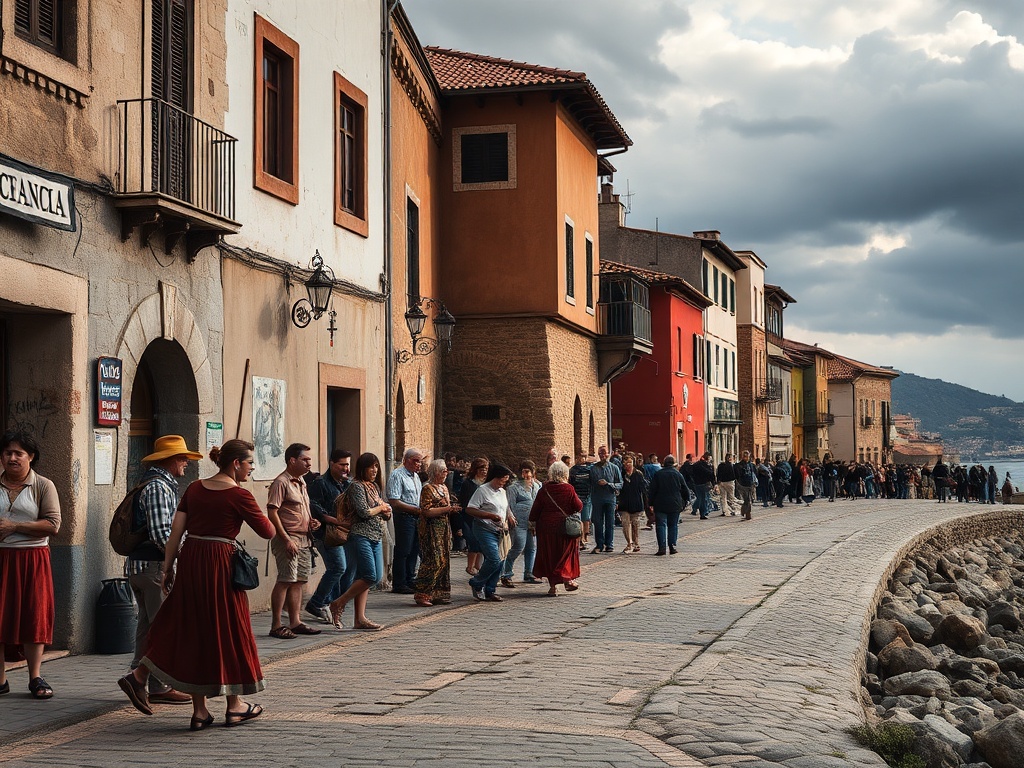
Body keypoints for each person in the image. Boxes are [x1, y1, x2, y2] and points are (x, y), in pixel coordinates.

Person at [117, 439, 275, 729]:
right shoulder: (239, 495)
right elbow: (268, 531)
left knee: (193, 630)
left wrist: (167, 569)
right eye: (250, 463)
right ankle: (235, 705)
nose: (252, 468)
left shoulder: (195, 488)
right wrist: (249, 497)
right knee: (229, 628)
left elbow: (176, 531)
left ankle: (199, 711)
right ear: (236, 463)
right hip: (220, 562)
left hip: (191, 559)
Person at [125, 435, 203, 705]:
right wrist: (185, 555)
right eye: (183, 458)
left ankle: (143, 682)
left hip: (144, 567)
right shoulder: (159, 487)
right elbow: (162, 535)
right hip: (154, 568)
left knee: (149, 626)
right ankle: (146, 682)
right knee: (165, 628)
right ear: (169, 460)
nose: (186, 463)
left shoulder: (154, 483)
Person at [0, 430, 61, 700]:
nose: (12, 458)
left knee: (34, 614)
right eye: (7, 453)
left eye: (18, 453)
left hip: (32, 559)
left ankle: (35, 676)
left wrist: (14, 526)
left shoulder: (43, 485)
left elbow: (53, 524)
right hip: (2, 558)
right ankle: (0, 679)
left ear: (31, 457)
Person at [329, 453, 392, 630]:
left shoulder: (373, 487)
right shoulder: (356, 486)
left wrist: (386, 512)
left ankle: (360, 619)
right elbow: (364, 512)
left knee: (372, 577)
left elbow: (381, 511)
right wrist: (381, 508)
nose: (374, 470)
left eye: (376, 466)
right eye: (370, 466)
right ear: (362, 468)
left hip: (376, 536)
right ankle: (338, 602)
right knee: (370, 576)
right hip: (360, 535)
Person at [267, 443, 321, 639]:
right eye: (305, 459)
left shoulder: (301, 482)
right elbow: (272, 512)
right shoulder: (281, 482)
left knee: (299, 581)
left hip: (305, 538)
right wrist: (286, 539)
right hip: (288, 538)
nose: (309, 463)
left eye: (309, 460)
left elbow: (300, 510)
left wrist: (312, 522)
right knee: (285, 580)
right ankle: (276, 625)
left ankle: (295, 621)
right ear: (292, 460)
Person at [305, 449, 353, 625]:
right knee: (338, 567)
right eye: (342, 464)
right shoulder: (320, 483)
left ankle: (331, 603)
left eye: (347, 464)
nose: (345, 468)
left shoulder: (347, 483)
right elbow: (317, 509)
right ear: (331, 463)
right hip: (326, 534)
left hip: (344, 534)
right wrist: (338, 522)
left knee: (346, 570)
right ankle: (317, 603)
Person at [529, 461, 583, 596]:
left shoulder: (544, 489)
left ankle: (553, 587)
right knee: (565, 554)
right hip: (564, 527)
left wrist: (533, 523)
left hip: (546, 527)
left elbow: (535, 511)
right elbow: (578, 506)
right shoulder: (569, 489)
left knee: (550, 555)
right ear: (565, 473)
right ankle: (567, 579)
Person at [413, 460, 459, 606]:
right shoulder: (428, 488)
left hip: (444, 528)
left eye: (446, 471)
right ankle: (422, 593)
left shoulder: (444, 488)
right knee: (434, 560)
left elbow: (447, 506)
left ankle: (438, 592)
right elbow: (426, 511)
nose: (446, 473)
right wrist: (447, 509)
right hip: (431, 529)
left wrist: (451, 509)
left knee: (444, 560)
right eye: (443, 471)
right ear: (435, 472)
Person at [466, 464, 514, 602]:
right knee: (494, 559)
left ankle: (490, 590)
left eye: (505, 481)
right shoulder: (482, 490)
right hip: (484, 528)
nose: (503, 484)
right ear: (495, 477)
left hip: (499, 530)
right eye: (502, 480)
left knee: (500, 561)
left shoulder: (502, 492)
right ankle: (476, 582)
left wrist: (509, 515)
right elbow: (470, 509)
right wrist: (489, 515)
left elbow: (504, 506)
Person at [387, 448, 425, 595]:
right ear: (406, 460)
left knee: (414, 549)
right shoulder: (398, 475)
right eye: (416, 460)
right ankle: (399, 583)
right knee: (403, 550)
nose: (418, 464)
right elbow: (394, 501)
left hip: (416, 516)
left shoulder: (416, 477)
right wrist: (413, 509)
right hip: (404, 516)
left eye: (420, 461)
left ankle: (410, 579)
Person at [502, 460, 541, 587]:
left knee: (532, 547)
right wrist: (510, 517)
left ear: (533, 472)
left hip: (532, 522)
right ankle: (507, 572)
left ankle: (529, 572)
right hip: (519, 521)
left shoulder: (537, 486)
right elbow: (510, 505)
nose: (525, 475)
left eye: (527, 472)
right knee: (519, 545)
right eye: (523, 471)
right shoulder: (513, 488)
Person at [649, 456, 688, 555]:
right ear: (674, 464)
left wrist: (650, 503)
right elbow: (685, 489)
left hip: (660, 503)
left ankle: (662, 548)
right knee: (673, 525)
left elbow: (652, 490)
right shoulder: (678, 474)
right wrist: (685, 501)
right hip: (675, 504)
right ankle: (672, 546)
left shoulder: (658, 474)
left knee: (661, 525)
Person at [457, 457, 489, 576]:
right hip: (469, 517)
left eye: (486, 468)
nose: (484, 471)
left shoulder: (486, 483)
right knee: (473, 541)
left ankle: (478, 566)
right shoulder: (468, 483)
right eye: (481, 469)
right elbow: (464, 502)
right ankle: (470, 567)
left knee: (481, 542)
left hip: (483, 516)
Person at [588, 445, 622, 553]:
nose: (603, 455)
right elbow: (590, 483)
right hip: (597, 498)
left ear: (609, 454)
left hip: (610, 498)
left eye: (604, 453)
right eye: (601, 453)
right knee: (597, 522)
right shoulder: (593, 468)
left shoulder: (614, 468)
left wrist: (609, 484)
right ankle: (599, 544)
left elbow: (620, 484)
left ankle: (609, 544)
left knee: (610, 522)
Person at [618, 455, 648, 552]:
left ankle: (636, 542)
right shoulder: (621, 474)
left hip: (636, 502)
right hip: (624, 503)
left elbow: (643, 489)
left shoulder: (638, 474)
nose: (628, 465)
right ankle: (629, 543)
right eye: (626, 462)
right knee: (625, 523)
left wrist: (647, 503)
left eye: (630, 462)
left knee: (635, 524)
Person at [568, 454, 594, 550]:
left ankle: (585, 537)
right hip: (577, 496)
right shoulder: (573, 470)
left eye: (583, 457)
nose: (581, 459)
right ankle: (580, 539)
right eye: (579, 457)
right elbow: (571, 482)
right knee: (578, 518)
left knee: (586, 518)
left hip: (587, 496)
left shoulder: (589, 469)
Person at [691, 453, 716, 519]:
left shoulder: (696, 464)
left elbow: (691, 473)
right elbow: (710, 474)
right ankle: (703, 513)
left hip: (696, 483)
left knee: (700, 498)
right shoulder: (705, 465)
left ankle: (696, 509)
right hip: (704, 483)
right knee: (704, 498)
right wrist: (714, 483)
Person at [734, 450, 757, 521]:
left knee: (749, 499)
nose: (746, 458)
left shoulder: (751, 465)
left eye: (747, 456)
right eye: (745, 456)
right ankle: (747, 513)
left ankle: (745, 511)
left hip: (750, 484)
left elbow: (755, 473)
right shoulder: (739, 465)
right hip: (742, 484)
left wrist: (754, 482)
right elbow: (737, 475)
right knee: (747, 499)